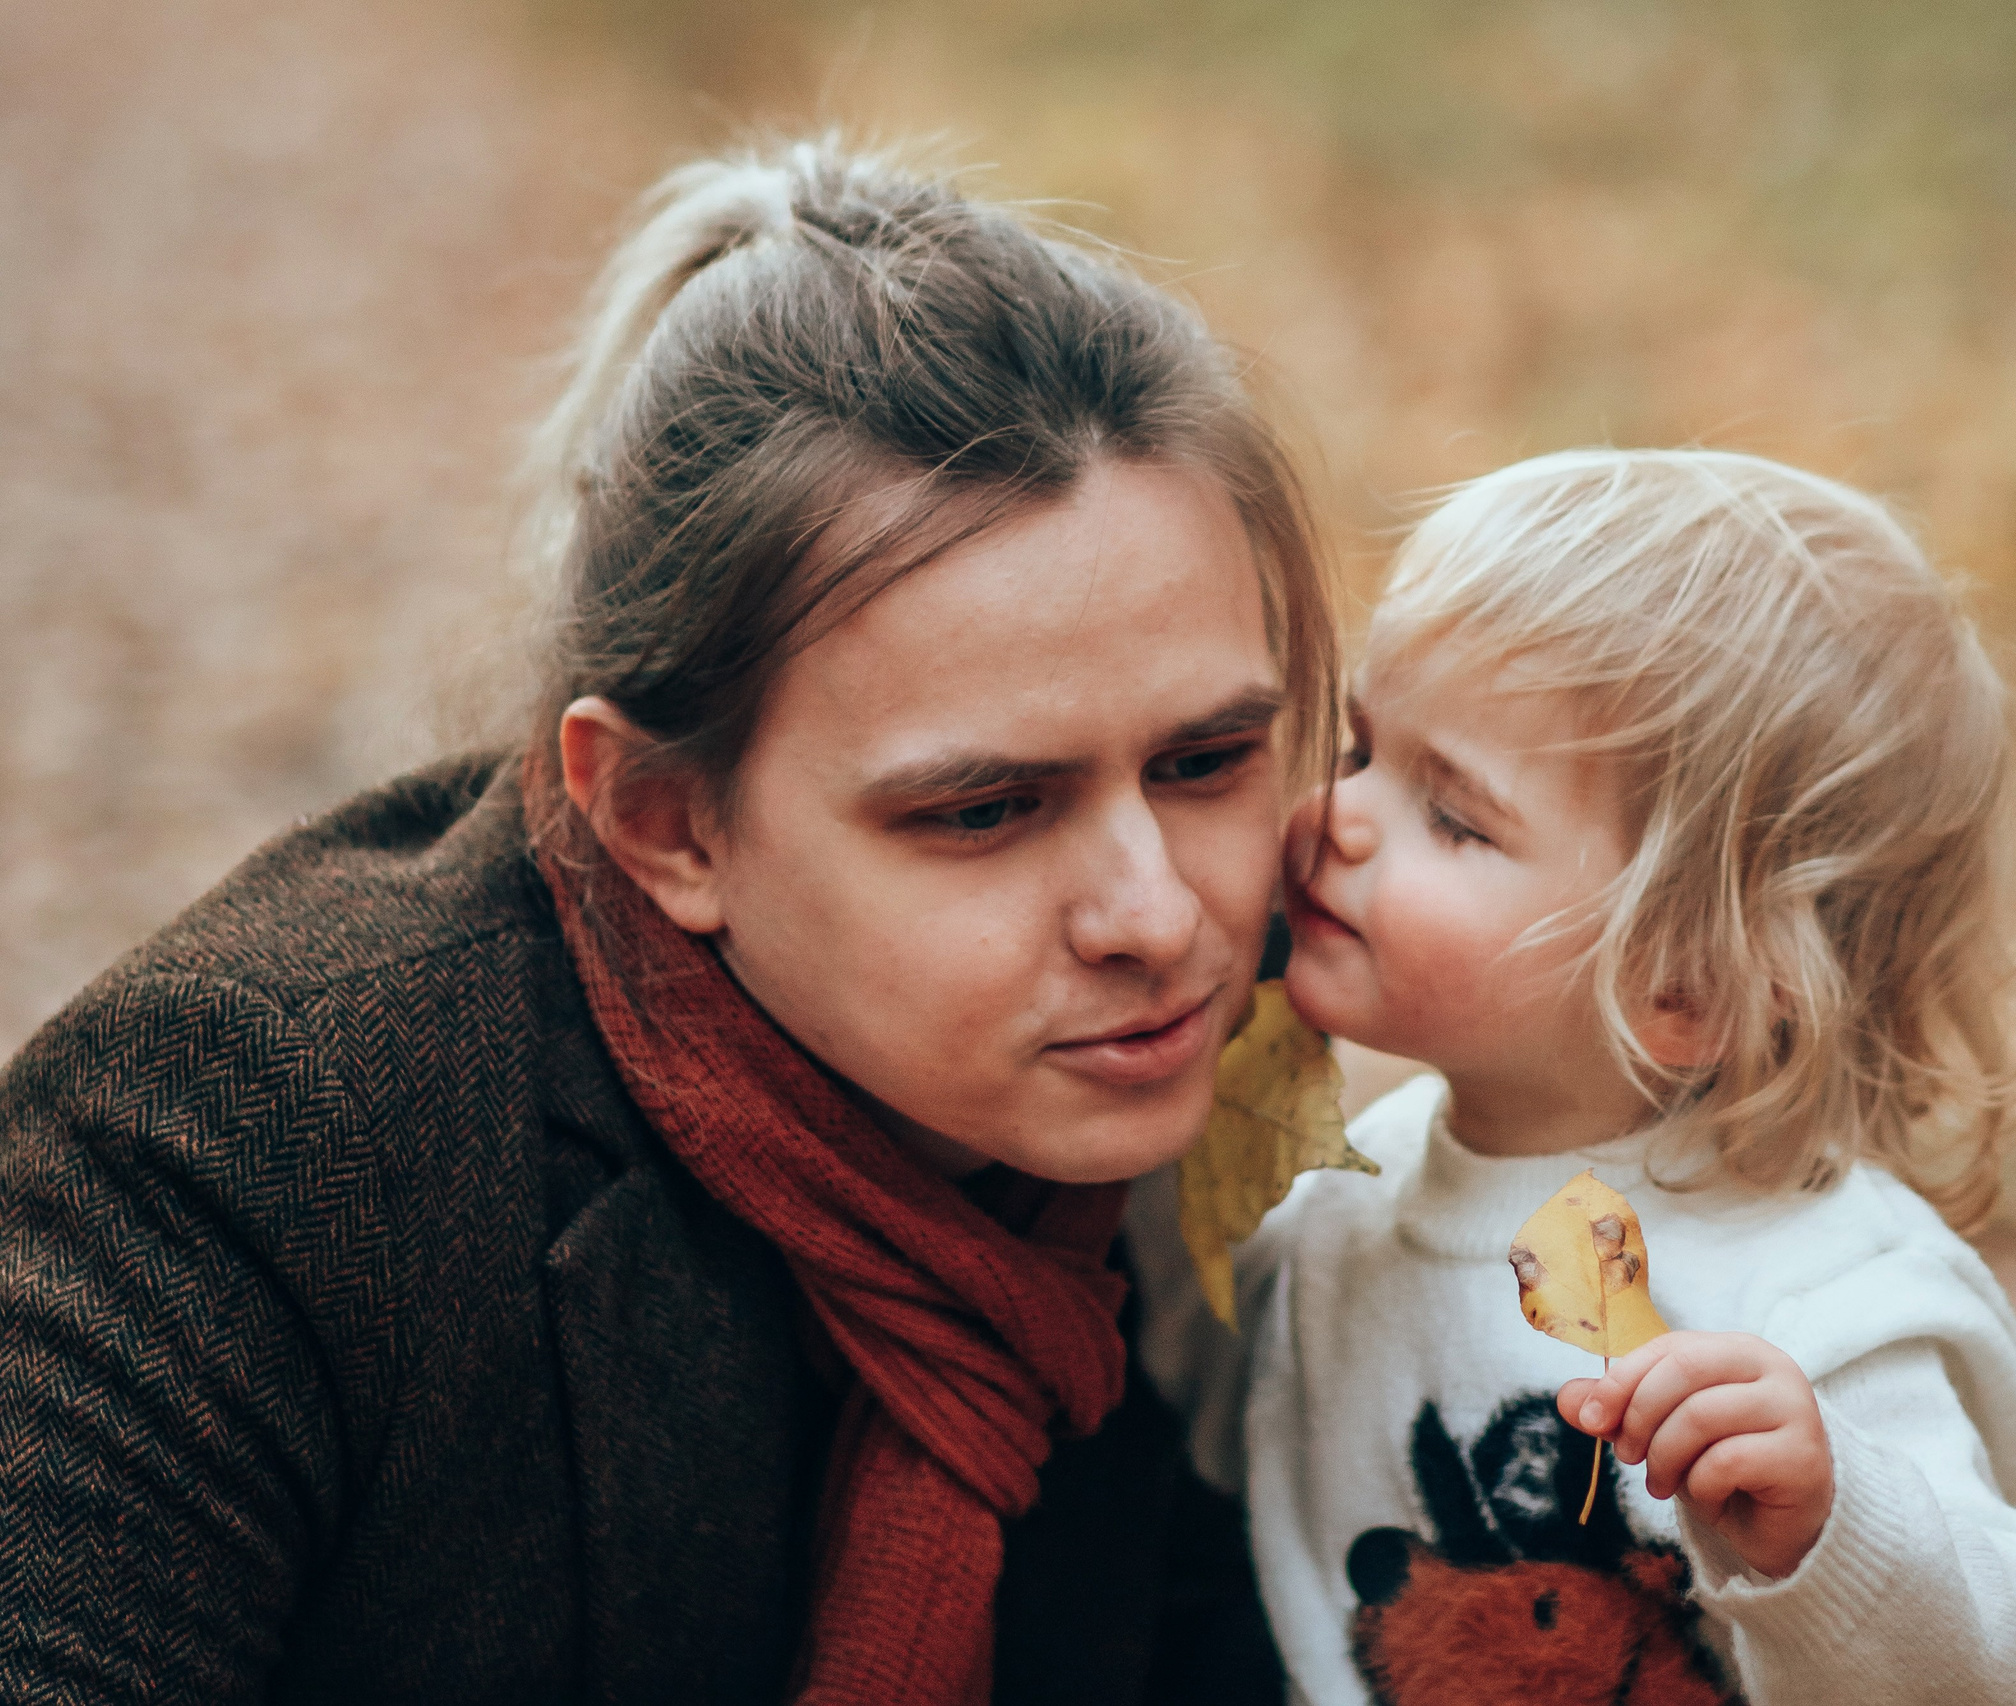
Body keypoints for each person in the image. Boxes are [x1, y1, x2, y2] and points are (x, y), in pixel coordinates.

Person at [0, 137, 1335, 1706]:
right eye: (983, 809)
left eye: (1205, 761)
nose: (1161, 915)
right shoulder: (238, 1142)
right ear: (662, 820)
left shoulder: (1230, 1099)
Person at [1170, 448, 2016, 1703]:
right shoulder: (1338, 1210)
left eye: (1456, 815)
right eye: (1362, 746)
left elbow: (2007, 1667)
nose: (1339, 812)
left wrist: (1831, 1529)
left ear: (1685, 988)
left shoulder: (1811, 1297)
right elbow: (1180, 1433)